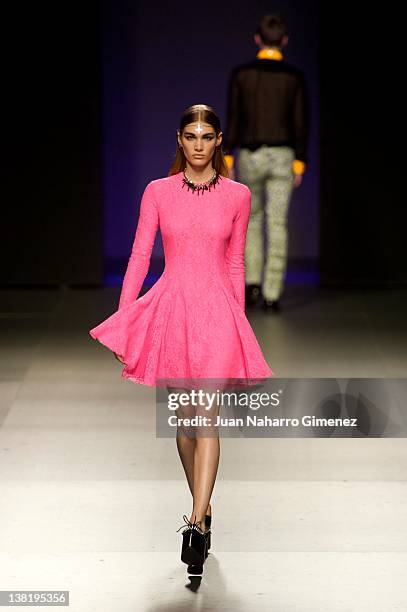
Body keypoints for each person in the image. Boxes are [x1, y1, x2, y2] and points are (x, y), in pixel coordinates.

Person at [89, 104, 273, 574]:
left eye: (206, 136)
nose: (197, 145)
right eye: (190, 136)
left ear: (218, 141)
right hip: (171, 310)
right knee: (185, 422)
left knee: (205, 416)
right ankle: (203, 505)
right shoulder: (157, 192)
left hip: (216, 314)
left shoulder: (237, 195)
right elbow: (138, 255)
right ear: (179, 139)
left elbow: (235, 262)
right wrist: (125, 319)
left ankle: (195, 522)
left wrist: (239, 320)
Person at [223, 14, 310, 313]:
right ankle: (272, 293)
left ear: (257, 39)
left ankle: (252, 285)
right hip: (283, 155)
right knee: (277, 223)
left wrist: (228, 156)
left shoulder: (242, 75)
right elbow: (301, 122)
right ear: (284, 41)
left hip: (249, 156)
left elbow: (234, 117)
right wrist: (299, 161)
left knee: (252, 220)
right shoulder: (293, 77)